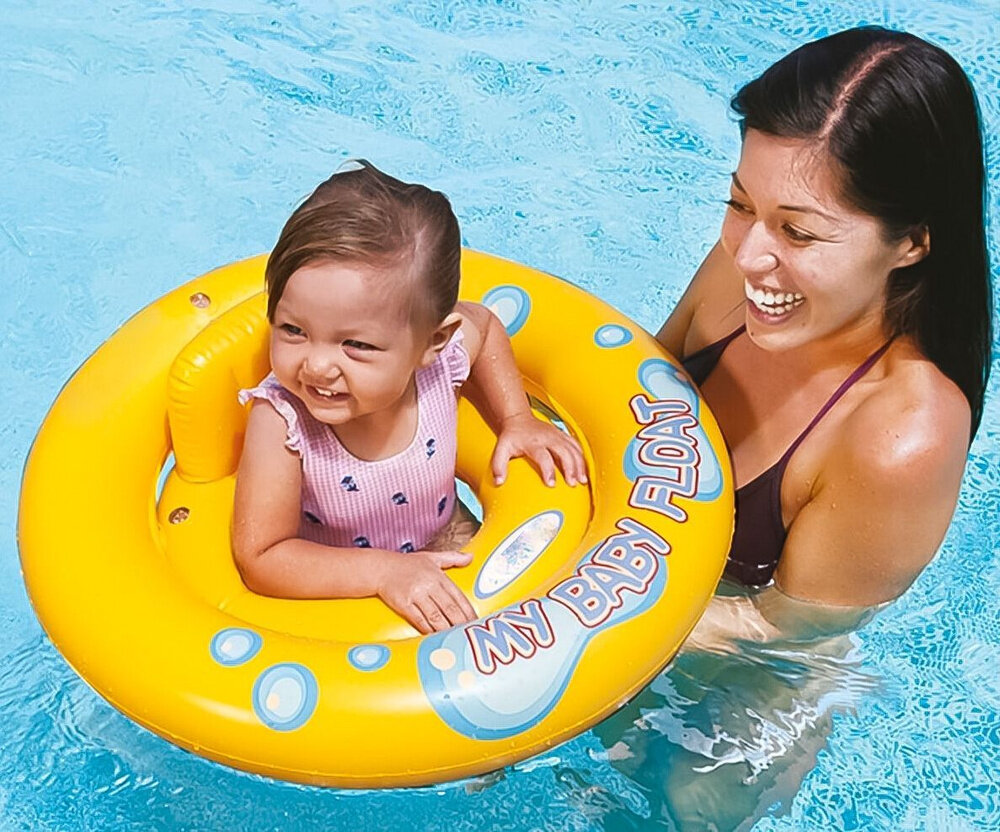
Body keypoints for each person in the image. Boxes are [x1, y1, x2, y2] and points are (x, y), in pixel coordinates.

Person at [584, 26, 992, 830]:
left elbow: (783, 633)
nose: (750, 255)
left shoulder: (900, 435)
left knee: (685, 802)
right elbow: (627, 417)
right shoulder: (744, 272)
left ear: (913, 242)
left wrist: (566, 601)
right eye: (741, 204)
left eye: (799, 232)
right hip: (631, 590)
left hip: (754, 670)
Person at [232, 161, 586, 635]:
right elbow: (262, 556)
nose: (316, 365)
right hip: (343, 594)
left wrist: (516, 418)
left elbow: (484, 325)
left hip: (445, 535)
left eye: (355, 344)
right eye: (293, 330)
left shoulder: (442, 363)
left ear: (432, 343)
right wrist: (384, 572)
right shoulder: (282, 420)